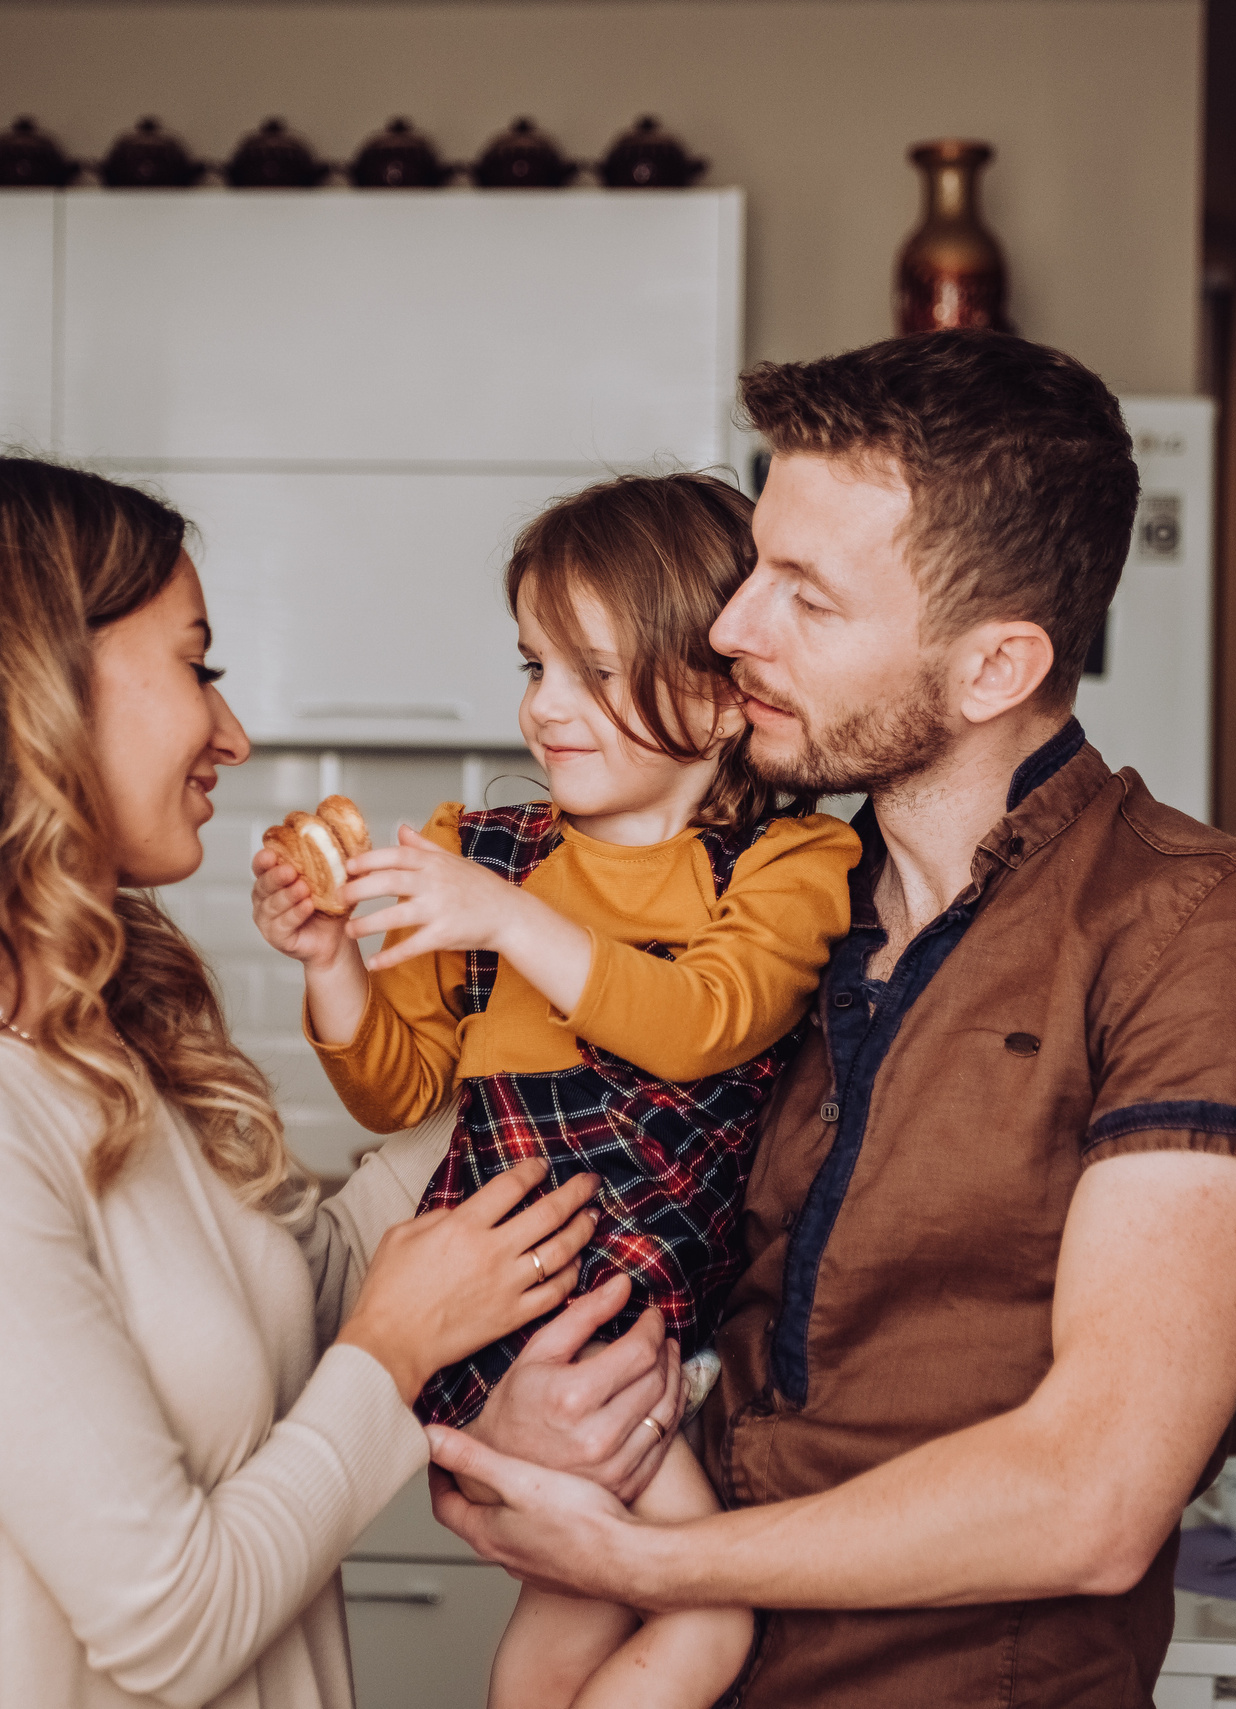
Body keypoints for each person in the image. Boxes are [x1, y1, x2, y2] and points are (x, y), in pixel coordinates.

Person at [426, 331, 1236, 1708]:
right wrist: (514, 1410)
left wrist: (658, 1561)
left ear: (995, 668)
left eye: (805, 596)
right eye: (754, 564)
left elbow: (1093, 1496)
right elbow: (524, 1180)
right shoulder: (760, 910)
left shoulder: (1210, 930)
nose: (734, 625)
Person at [0, 456, 622, 1709]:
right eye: (199, 666)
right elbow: (171, 1621)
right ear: (39, 691)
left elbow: (315, 1291)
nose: (231, 733)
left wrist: (590, 1035)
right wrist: (396, 1353)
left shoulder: (94, 1045)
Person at [252, 474, 863, 1708]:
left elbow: (704, 1023)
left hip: (646, 1321)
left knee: (585, 1600)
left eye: (590, 672)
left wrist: (508, 921)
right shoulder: (473, 857)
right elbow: (399, 1086)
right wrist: (331, 966)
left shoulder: (792, 862)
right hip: (526, 1307)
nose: (542, 709)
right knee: (709, 1614)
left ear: (714, 684)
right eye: (534, 664)